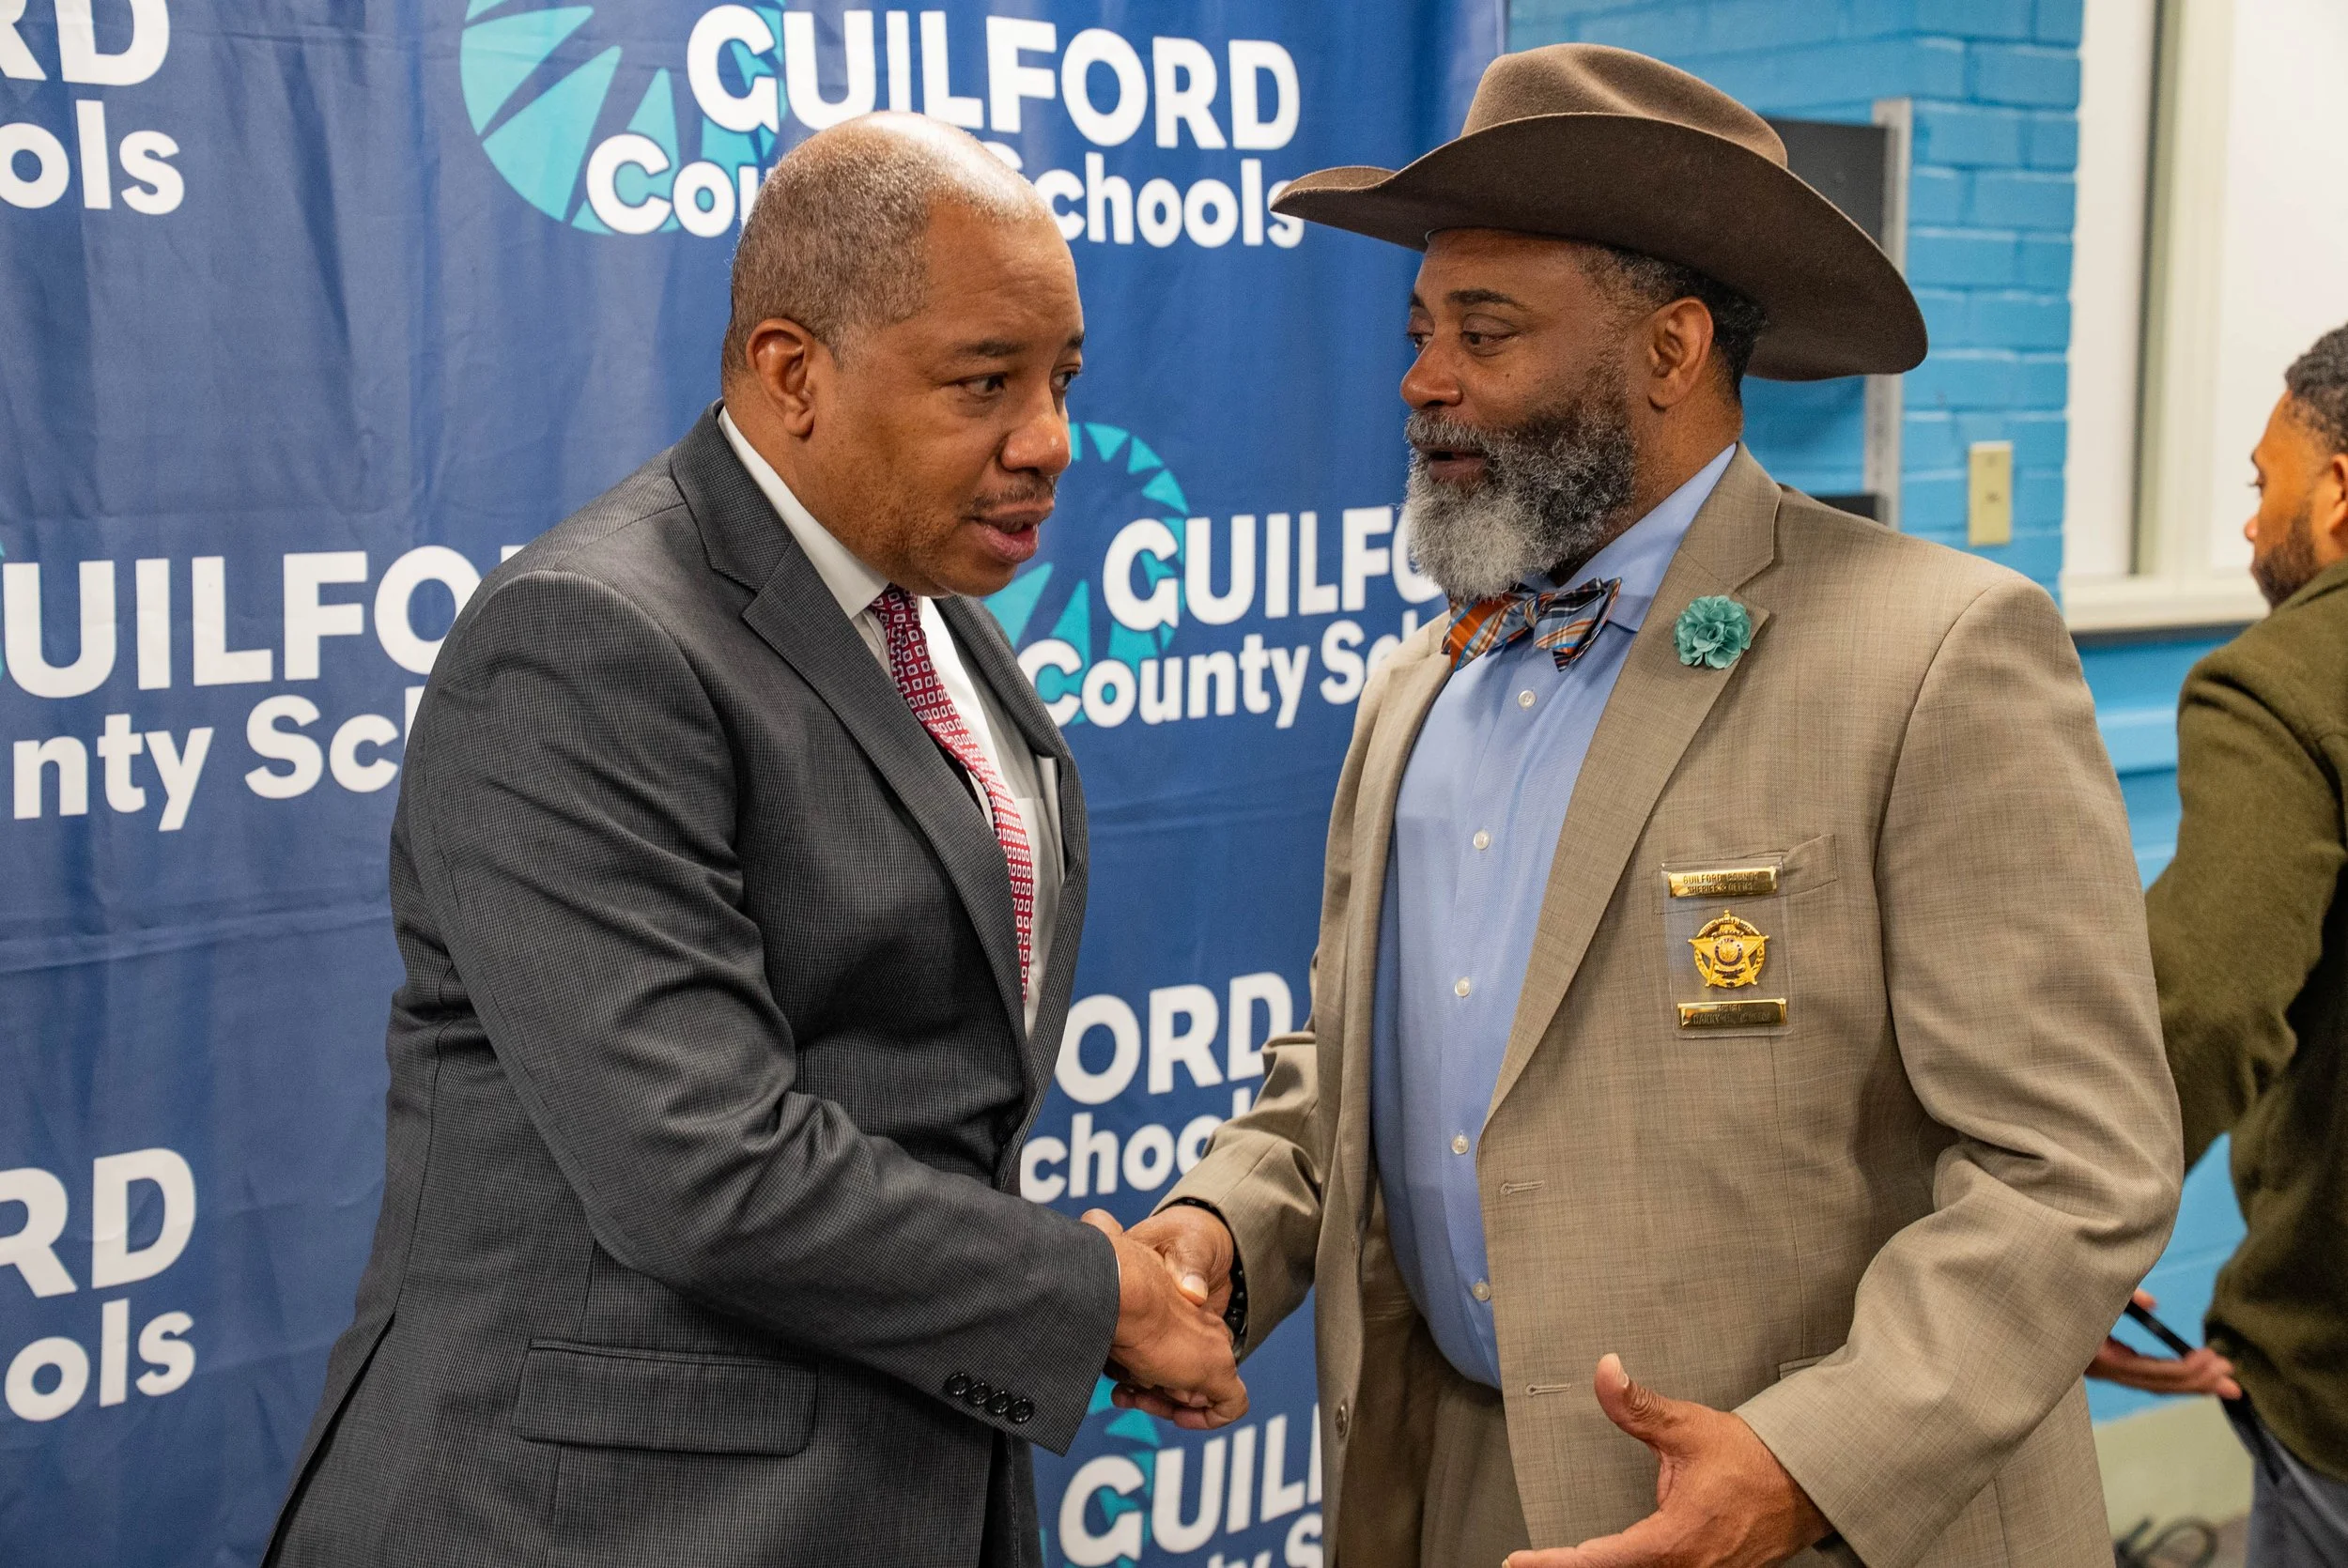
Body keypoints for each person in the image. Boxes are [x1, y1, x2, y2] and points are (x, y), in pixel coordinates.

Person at [1124, 44, 2184, 1568]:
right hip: (1455, 1493)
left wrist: (1807, 1461)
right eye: (1423, 327)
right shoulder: (1416, 689)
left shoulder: (1937, 653)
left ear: (1673, 350)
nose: (1425, 378)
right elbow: (1368, 1062)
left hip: (1820, 1526)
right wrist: (1225, 1222)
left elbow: (2072, 1163)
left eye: (1486, 330)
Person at [262, 115, 1241, 1568]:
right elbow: (705, 1169)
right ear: (793, 374)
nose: (1049, 440)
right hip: (602, 1520)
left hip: (887, 1481)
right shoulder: (588, 639)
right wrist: (1087, 1294)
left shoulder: (931, 610)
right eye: (987, 383)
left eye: (1062, 381)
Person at [2090, 323, 2348, 1564]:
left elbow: (2202, 1008)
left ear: (2339, 489)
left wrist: (2060, 1252)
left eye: (2264, 482)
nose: (2252, 528)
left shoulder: (2288, 681)